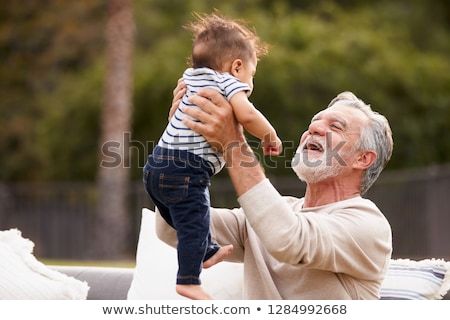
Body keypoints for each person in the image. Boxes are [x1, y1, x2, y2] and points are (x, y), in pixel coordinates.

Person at [155, 85, 394, 299]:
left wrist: (232, 142)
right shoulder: (271, 214)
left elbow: (288, 239)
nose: (314, 128)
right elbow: (172, 228)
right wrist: (180, 142)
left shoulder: (368, 224)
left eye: (335, 127)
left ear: (363, 158)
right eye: (315, 121)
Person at [143, 12, 282, 300]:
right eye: (251, 75)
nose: (250, 83)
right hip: (186, 170)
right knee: (195, 218)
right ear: (237, 66)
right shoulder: (228, 83)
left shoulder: (190, 78)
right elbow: (247, 114)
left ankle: (206, 248)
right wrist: (270, 136)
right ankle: (188, 280)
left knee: (186, 220)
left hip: (155, 166)